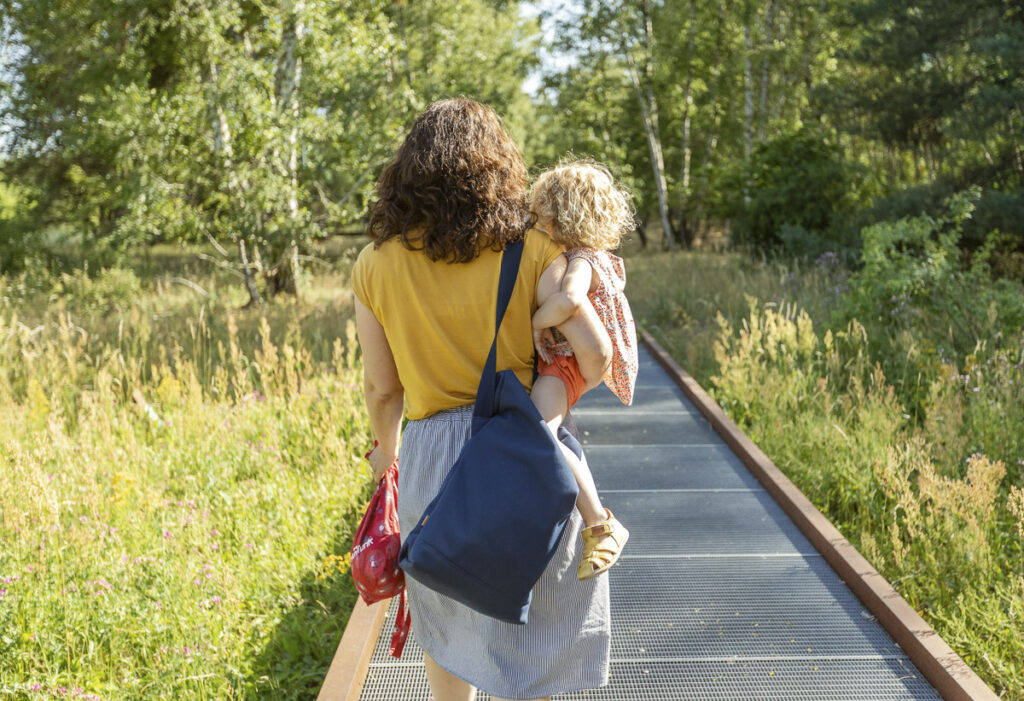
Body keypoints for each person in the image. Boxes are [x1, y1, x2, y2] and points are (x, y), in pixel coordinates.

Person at [351, 98, 612, 701]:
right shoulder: (532, 246)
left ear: (406, 171)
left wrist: (384, 455)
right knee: (542, 626)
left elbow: (382, 387)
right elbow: (594, 355)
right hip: (519, 446)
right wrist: (560, 383)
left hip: (430, 462)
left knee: (450, 627)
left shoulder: (374, 262)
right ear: (497, 167)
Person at [527, 159, 639, 581]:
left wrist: (535, 321)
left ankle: (601, 524)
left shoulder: (580, 261)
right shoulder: (603, 257)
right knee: (553, 431)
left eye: (540, 215)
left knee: (541, 428)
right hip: (575, 364)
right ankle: (596, 523)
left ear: (557, 215)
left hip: (566, 364)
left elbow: (570, 301)